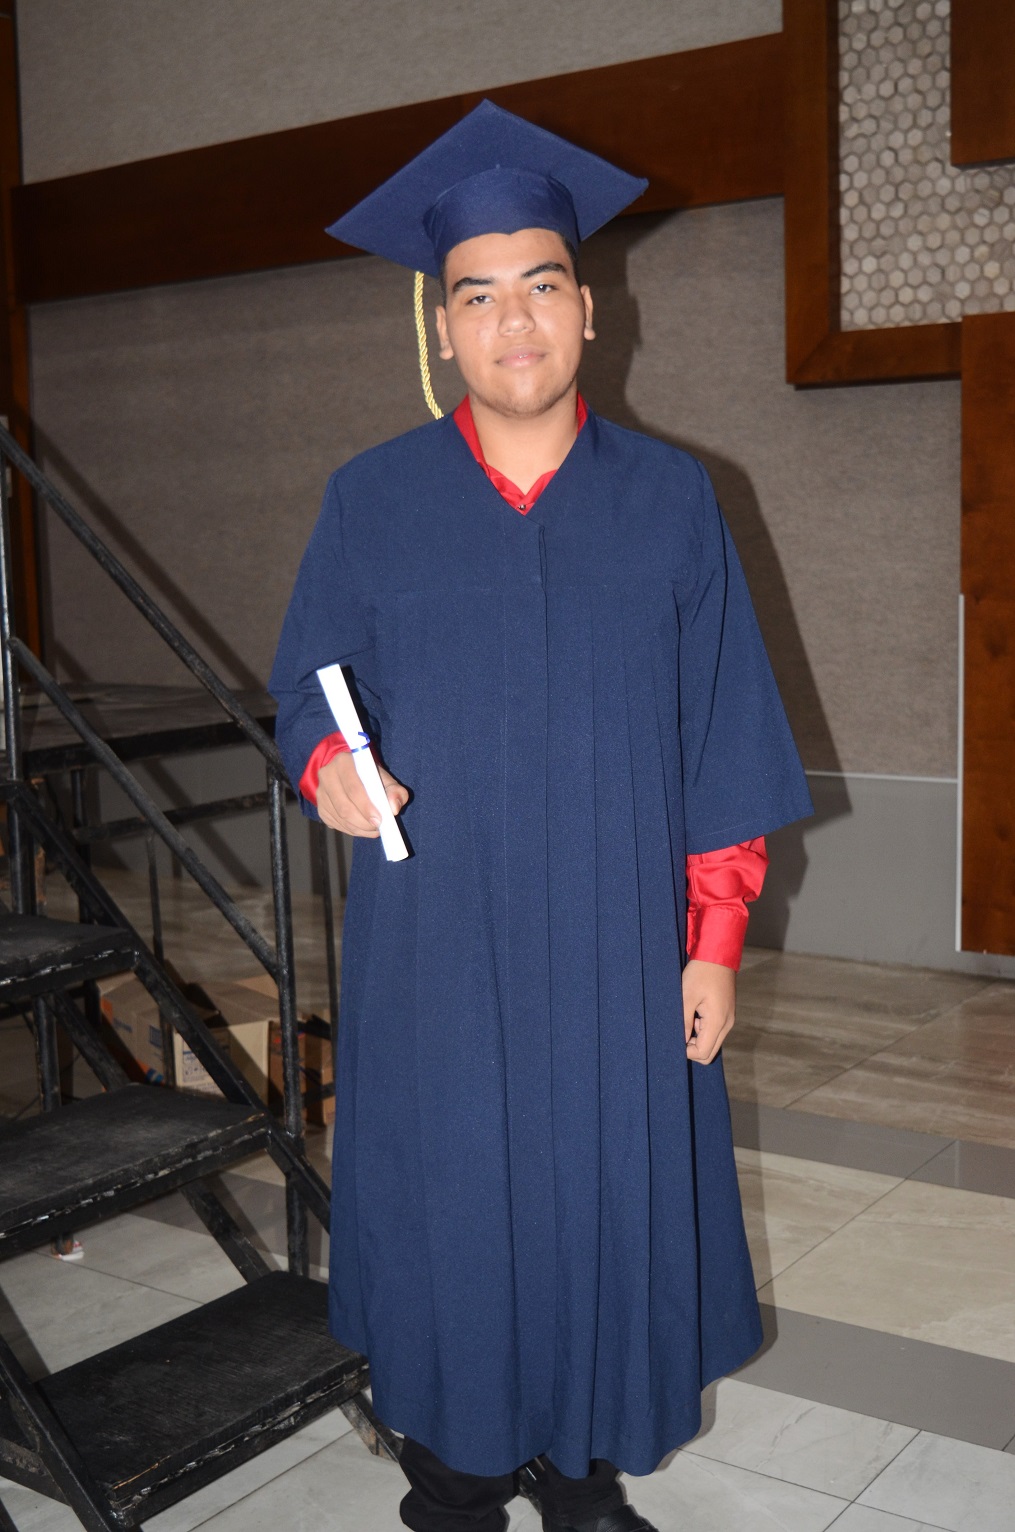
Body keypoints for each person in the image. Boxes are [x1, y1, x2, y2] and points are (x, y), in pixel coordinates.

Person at [270, 101, 812, 1532]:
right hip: (438, 948)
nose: (514, 322)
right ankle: (452, 1476)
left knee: (597, 1209)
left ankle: (578, 1473)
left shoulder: (674, 503)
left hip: (616, 955)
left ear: (589, 308)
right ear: (442, 327)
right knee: (459, 1214)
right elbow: (309, 690)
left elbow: (720, 733)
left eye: (542, 286)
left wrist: (713, 938)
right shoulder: (370, 503)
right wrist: (328, 759)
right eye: (478, 295)